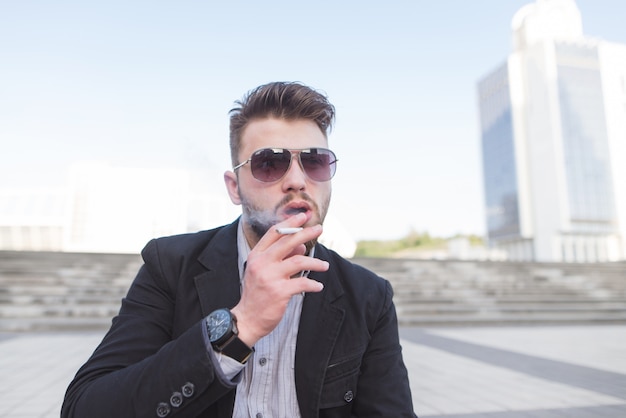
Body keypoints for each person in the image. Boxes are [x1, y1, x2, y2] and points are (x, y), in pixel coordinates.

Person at [62, 81, 417, 418]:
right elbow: (85, 407)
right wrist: (240, 325)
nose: (296, 180)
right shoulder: (171, 266)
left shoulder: (368, 296)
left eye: (314, 161)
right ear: (234, 188)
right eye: (269, 163)